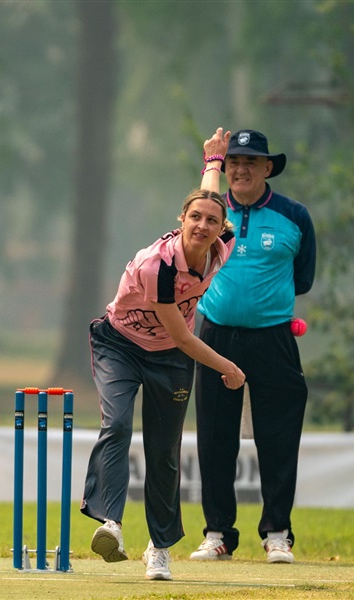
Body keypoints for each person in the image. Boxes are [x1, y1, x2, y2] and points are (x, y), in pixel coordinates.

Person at [80, 128, 246, 581]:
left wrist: (213, 164)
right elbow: (188, 338)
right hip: (121, 345)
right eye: (194, 218)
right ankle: (110, 523)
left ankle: (159, 548)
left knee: (164, 451)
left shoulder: (222, 246)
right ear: (181, 219)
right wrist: (230, 369)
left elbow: (211, 202)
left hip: (169, 357)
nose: (203, 226)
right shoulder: (159, 266)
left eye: (211, 222)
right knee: (116, 424)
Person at [189, 130, 316, 564]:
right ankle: (218, 532)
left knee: (278, 437)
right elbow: (189, 251)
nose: (240, 169)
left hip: (273, 339)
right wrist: (210, 163)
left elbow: (303, 278)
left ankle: (277, 532)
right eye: (234, 162)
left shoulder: (294, 217)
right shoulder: (212, 215)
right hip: (217, 336)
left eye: (250, 162)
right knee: (215, 438)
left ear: (267, 168)